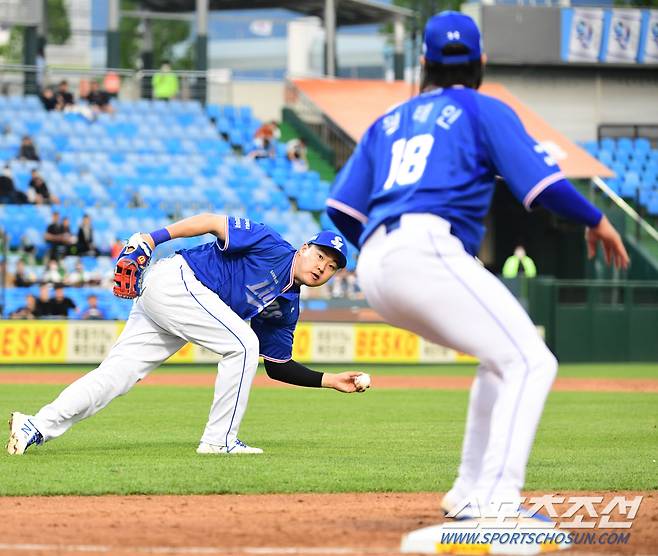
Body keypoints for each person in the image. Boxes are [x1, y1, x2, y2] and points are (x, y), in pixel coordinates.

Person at [326, 11, 629, 522]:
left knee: (500, 361)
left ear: (423, 63)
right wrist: (597, 218)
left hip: (377, 259)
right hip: (425, 246)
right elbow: (543, 186)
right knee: (532, 362)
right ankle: (500, 502)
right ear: (481, 62)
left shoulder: (387, 122)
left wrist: (382, 253)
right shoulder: (483, 109)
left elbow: (340, 210)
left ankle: (469, 492)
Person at [8, 213, 368, 457]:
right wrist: (151, 238)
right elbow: (212, 222)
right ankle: (219, 441)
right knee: (243, 345)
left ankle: (35, 425)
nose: (324, 266)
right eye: (321, 255)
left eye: (333, 266)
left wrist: (330, 380)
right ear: (305, 248)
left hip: (179, 304)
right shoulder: (271, 244)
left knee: (115, 377)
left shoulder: (286, 305)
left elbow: (277, 366)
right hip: (179, 281)